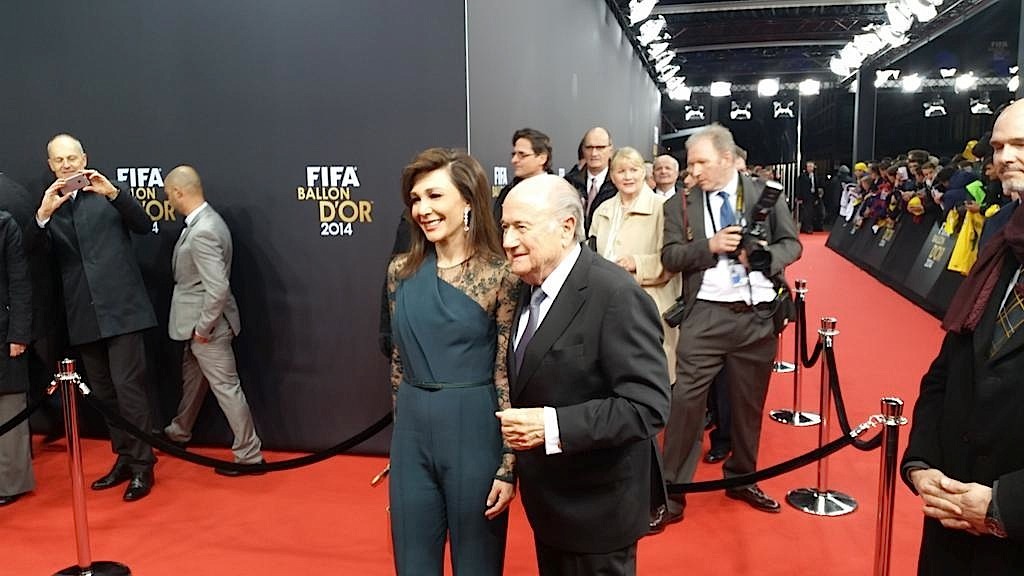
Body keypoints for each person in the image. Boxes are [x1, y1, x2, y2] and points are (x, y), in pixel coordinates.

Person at [496, 174, 670, 575]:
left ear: (566, 227)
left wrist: (552, 426)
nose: (508, 240)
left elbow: (647, 407)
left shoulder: (615, 294)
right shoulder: (528, 284)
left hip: (599, 513)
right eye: (505, 227)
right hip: (551, 506)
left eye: (521, 227)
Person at [655, 124, 801, 531]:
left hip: (758, 315)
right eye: (691, 164)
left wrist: (765, 258)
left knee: (748, 405)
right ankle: (671, 493)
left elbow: (792, 244)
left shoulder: (766, 194)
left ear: (725, 158)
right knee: (685, 404)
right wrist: (710, 247)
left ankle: (742, 478)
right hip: (704, 315)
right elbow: (670, 257)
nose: (694, 171)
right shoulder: (680, 204)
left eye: (701, 162)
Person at [901, 99, 1024, 575]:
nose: (1005, 157)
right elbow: (949, 368)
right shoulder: (1000, 235)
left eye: (1021, 144)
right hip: (952, 523)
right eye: (998, 146)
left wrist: (1005, 506)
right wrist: (922, 462)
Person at [386, 148, 517, 575]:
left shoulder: (501, 274)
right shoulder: (400, 271)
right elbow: (398, 363)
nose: (422, 209)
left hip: (474, 429)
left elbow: (505, 372)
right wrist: (400, 438)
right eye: (415, 198)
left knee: (477, 562)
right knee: (412, 562)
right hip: (412, 433)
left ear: (468, 200)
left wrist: (508, 464)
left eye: (434, 195)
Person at [27, 134, 157, 502]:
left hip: (123, 311)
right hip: (82, 314)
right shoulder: (50, 206)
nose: (66, 165)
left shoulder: (108, 193)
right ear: (50, 165)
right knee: (102, 393)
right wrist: (42, 216)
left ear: (84, 158)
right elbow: (32, 256)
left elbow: (144, 225)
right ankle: (124, 458)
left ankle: (143, 465)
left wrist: (114, 194)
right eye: (59, 160)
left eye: (72, 157)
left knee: (129, 390)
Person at [160, 166, 264, 475]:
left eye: (167, 194)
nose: (167, 200)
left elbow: (217, 287)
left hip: (207, 328)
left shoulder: (203, 230)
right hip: (198, 326)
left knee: (227, 388)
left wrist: (203, 328)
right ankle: (179, 432)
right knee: (194, 382)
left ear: (178, 192)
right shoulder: (207, 221)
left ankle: (249, 455)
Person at [591, 146, 680, 377]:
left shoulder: (663, 208)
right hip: (607, 303)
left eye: (634, 170)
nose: (627, 176)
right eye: (621, 171)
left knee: (651, 373)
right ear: (612, 176)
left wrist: (637, 263)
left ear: (644, 173)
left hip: (649, 306)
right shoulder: (602, 210)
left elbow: (672, 260)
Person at [0, 208, 32, 506]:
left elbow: (20, 283)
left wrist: (19, 335)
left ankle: (11, 483)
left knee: (9, 407)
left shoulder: (5, 225)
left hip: (4, 332)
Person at [492, 128, 552, 224]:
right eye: (514, 154)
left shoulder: (558, 192)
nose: (514, 160)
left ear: (542, 158)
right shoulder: (507, 192)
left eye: (522, 155)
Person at [566, 126, 617, 234]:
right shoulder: (569, 183)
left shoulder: (619, 185)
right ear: (583, 150)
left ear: (610, 150)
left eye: (600, 147)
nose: (594, 153)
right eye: (589, 147)